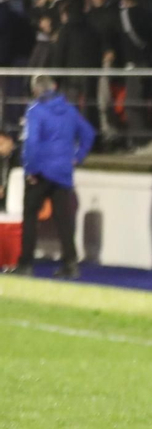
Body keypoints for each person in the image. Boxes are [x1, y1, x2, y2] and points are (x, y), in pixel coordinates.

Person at [4, 75, 95, 278]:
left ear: (35, 90)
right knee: (63, 219)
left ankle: (26, 264)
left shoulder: (36, 110)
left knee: (30, 217)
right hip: (62, 171)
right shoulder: (69, 109)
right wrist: (77, 157)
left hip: (40, 171)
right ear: (53, 87)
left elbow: (32, 143)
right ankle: (70, 263)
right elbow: (88, 133)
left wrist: (30, 170)